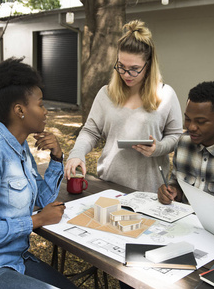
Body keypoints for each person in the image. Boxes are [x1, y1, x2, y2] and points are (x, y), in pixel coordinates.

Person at [0, 58, 78, 289]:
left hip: (16, 259)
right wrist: (38, 220)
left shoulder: (21, 148)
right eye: (41, 104)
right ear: (20, 110)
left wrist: (56, 157)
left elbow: (41, 201)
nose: (46, 112)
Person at [65, 20, 183, 192]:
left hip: (150, 190)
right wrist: (77, 154)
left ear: (148, 65)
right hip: (109, 186)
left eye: (134, 68)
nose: (126, 74)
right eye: (121, 66)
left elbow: (176, 136)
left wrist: (159, 148)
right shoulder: (106, 94)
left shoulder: (166, 94)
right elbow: (90, 131)